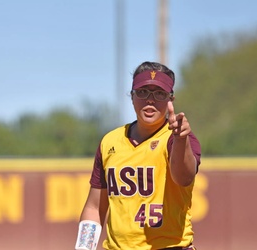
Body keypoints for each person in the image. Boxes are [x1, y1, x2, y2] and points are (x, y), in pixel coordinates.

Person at [75, 61, 202, 250]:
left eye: (159, 93)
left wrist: (180, 139)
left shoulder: (177, 136)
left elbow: (183, 177)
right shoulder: (110, 141)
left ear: (170, 100)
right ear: (132, 96)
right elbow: (94, 207)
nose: (150, 100)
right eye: (142, 92)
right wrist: (84, 248)